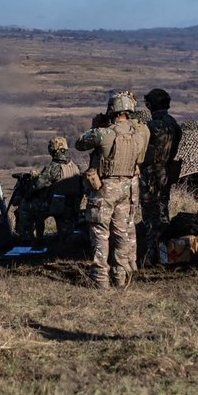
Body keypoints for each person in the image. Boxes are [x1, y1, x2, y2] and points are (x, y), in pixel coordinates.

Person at [75, 92, 149, 288]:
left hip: (105, 190)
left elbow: (80, 143)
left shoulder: (104, 134)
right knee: (121, 232)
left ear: (112, 111)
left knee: (100, 232)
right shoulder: (139, 135)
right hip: (127, 189)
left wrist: (97, 126)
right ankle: (120, 276)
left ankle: (100, 278)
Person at [140, 88, 183, 266]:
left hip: (151, 175)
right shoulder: (174, 125)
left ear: (150, 105)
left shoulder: (151, 127)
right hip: (166, 172)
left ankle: (152, 257)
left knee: (150, 218)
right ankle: (166, 256)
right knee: (163, 214)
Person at [16, 137, 83, 243]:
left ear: (53, 151)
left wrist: (26, 196)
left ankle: (26, 237)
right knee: (66, 238)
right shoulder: (76, 167)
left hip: (56, 206)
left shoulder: (53, 168)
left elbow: (37, 186)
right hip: (72, 206)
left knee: (25, 206)